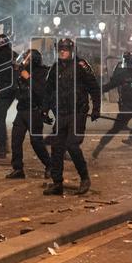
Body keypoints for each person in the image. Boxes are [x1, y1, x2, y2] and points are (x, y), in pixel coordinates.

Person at [42, 38, 100, 196]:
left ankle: (85, 178)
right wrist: (45, 110)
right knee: (56, 148)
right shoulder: (55, 68)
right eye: (60, 49)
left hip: (78, 112)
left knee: (72, 145)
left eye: (65, 49)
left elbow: (94, 88)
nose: (62, 51)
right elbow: (48, 91)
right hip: (61, 113)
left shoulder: (81, 66)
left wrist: (96, 108)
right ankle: (57, 183)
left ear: (72, 50)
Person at [92, 52, 132, 164]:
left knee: (115, 129)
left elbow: (107, 87)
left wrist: (94, 90)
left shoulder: (122, 75)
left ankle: (99, 148)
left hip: (128, 108)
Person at [5, 49, 52, 179]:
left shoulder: (42, 72)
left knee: (36, 142)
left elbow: (41, 92)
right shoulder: (21, 72)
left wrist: (29, 79)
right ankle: (18, 168)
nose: (23, 60)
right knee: (16, 139)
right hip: (22, 110)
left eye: (26, 58)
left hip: (34, 111)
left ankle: (50, 166)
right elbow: (14, 90)